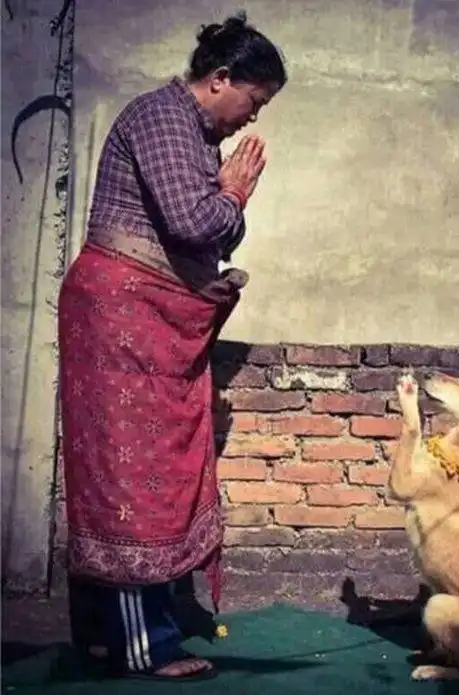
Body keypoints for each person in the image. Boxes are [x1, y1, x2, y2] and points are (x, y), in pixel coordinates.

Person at [58, 12, 287, 681]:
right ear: (221, 78)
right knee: (129, 474)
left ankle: (106, 637)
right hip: (122, 319)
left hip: (135, 320)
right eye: (254, 99)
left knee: (129, 469)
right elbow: (195, 222)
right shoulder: (163, 117)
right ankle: (143, 646)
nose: (253, 117)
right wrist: (233, 194)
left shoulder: (191, 132)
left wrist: (225, 206)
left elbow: (215, 232)